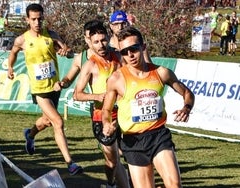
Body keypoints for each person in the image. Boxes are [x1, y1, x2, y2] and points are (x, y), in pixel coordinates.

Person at [102, 26, 195, 188]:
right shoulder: (116, 79)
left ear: (143, 47)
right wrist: (106, 124)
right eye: (124, 52)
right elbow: (106, 110)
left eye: (134, 49)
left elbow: (187, 93)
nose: (130, 55)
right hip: (133, 141)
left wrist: (186, 107)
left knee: (174, 185)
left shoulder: (161, 73)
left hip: (158, 135)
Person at [7, 3, 82, 176]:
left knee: (47, 121)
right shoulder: (22, 40)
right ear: (27, 20)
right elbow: (13, 52)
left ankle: (30, 134)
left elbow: (66, 51)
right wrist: (10, 67)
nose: (37, 22)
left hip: (55, 86)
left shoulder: (52, 35)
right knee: (58, 122)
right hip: (39, 89)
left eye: (40, 18)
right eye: (33, 19)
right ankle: (70, 163)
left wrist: (66, 51)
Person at [73, 21, 130, 188]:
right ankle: (111, 183)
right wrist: (98, 96)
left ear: (108, 38)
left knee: (130, 154)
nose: (101, 45)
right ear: (90, 42)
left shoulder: (119, 57)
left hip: (123, 114)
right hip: (102, 118)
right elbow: (77, 94)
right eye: (96, 42)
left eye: (103, 40)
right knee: (112, 161)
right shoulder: (89, 65)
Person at [53, 20, 102, 91]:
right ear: (85, 38)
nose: (91, 41)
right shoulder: (81, 58)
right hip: (97, 100)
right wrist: (62, 83)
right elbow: (68, 79)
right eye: (89, 38)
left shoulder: (115, 55)